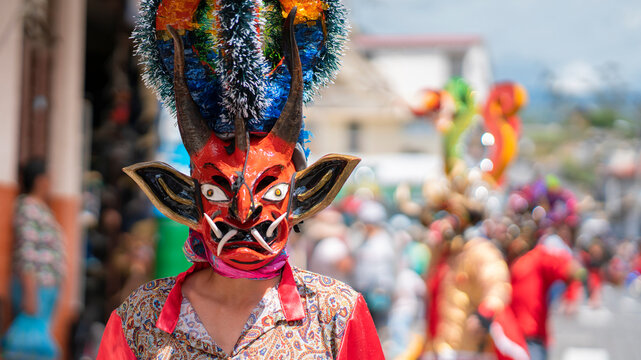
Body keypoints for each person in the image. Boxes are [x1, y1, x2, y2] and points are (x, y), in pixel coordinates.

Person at [97, 2, 383, 359]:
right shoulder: (139, 319)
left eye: (273, 190)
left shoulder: (336, 314)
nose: (245, 213)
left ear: (307, 195)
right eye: (216, 191)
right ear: (182, 198)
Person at [3, 159, 65, 359]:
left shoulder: (40, 207)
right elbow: (27, 251)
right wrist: (30, 292)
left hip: (44, 288)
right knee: (33, 349)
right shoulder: (28, 207)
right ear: (40, 180)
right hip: (34, 287)